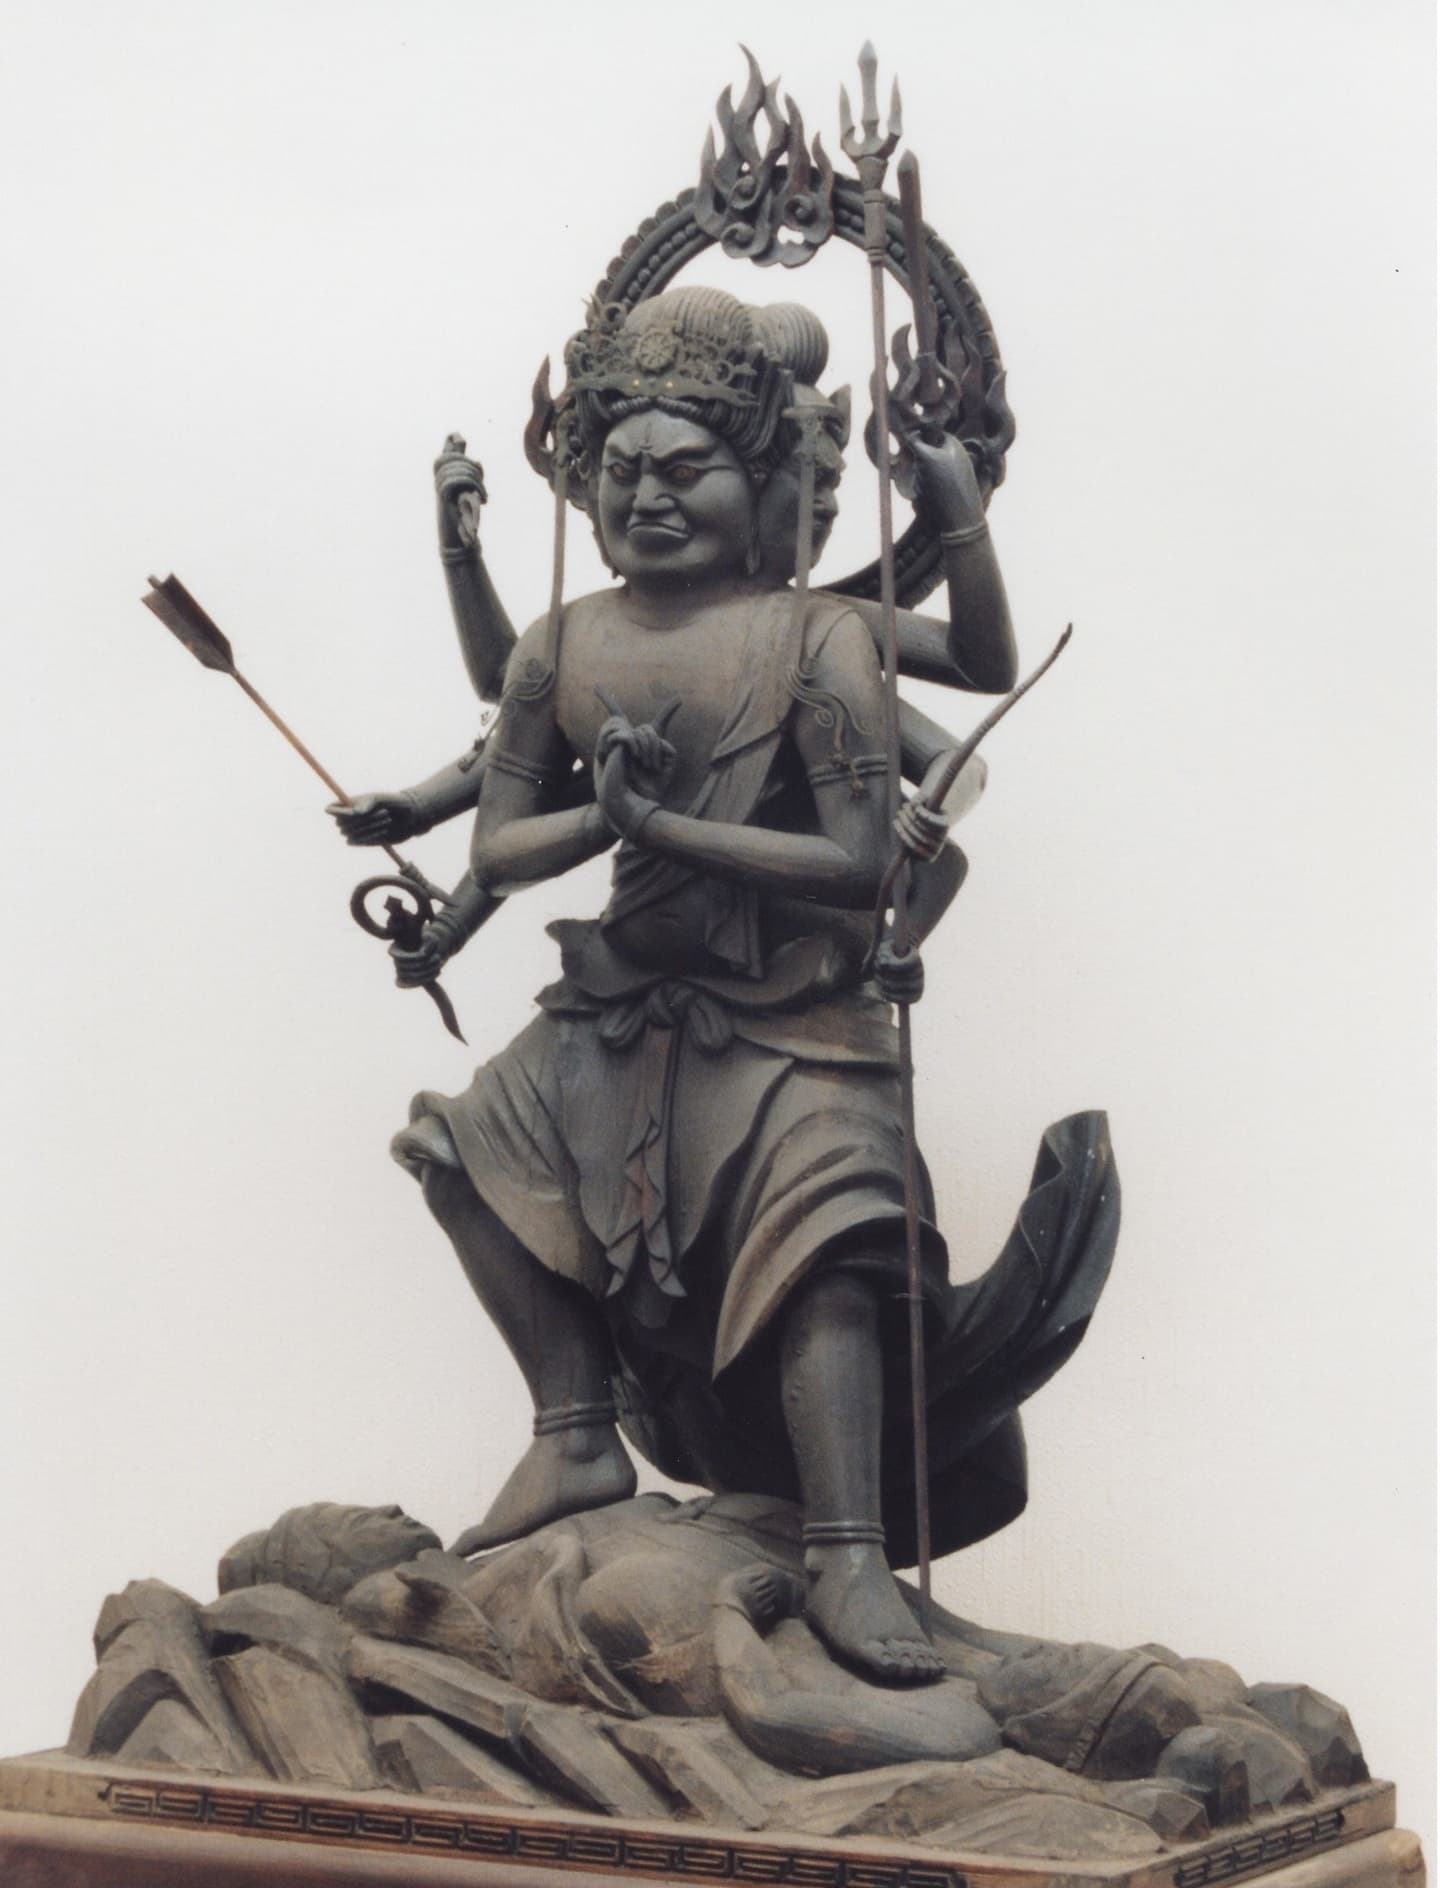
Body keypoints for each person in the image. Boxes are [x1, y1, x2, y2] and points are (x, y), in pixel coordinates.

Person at [335, 287, 1117, 1688]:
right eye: (622, 471)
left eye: (686, 467)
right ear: (584, 488)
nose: (649, 497)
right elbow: (500, 844)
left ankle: (850, 1548)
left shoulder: (816, 635)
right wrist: (599, 819)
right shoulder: (562, 643)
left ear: (764, 481)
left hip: (790, 1008)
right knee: (459, 1152)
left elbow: (861, 856)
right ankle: (574, 1432)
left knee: (835, 1230)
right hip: (620, 1003)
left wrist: (664, 824)